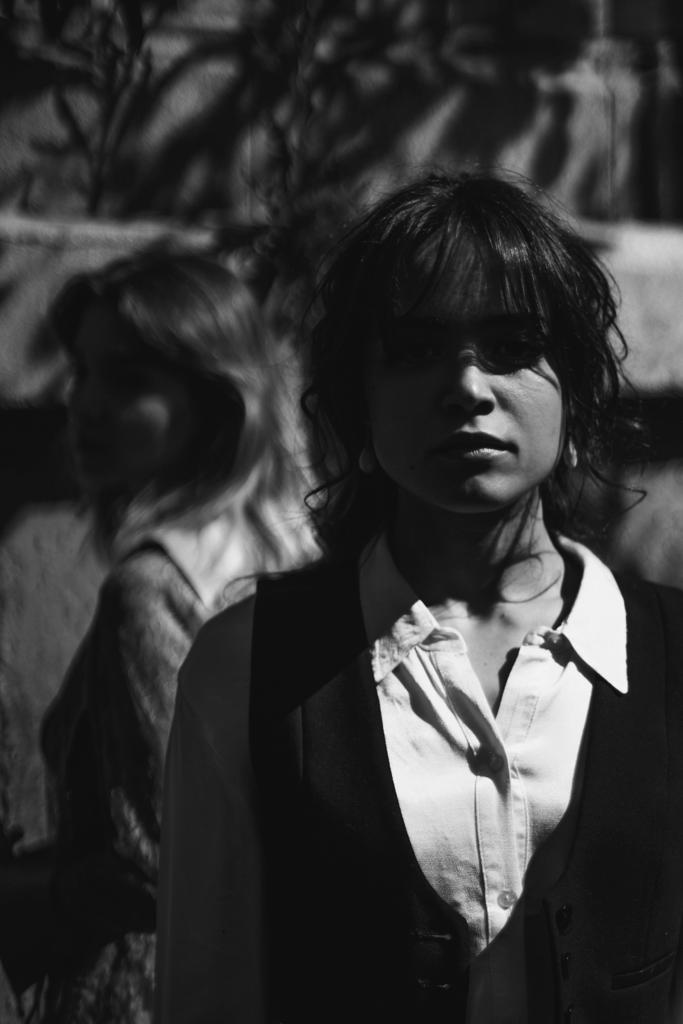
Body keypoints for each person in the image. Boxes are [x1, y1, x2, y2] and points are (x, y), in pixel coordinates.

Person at [155, 174, 683, 1024]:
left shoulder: (668, 659)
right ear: (356, 409)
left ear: (576, 398)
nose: (467, 386)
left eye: (512, 343)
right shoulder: (247, 669)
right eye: (413, 348)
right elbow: (206, 994)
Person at [0, 250, 315, 1024]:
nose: (84, 403)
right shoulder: (301, 549)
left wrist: (26, 891)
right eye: (82, 372)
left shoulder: (151, 589)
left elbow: (166, 861)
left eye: (127, 379)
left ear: (214, 399)